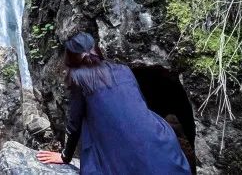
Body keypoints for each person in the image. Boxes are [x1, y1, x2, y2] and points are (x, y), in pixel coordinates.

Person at [35, 32, 192, 174]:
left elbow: (74, 124)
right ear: (96, 49)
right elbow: (139, 104)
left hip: (121, 151)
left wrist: (65, 156)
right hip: (159, 141)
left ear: (70, 57)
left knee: (89, 122)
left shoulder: (78, 79)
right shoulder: (123, 69)